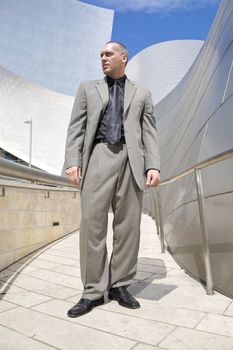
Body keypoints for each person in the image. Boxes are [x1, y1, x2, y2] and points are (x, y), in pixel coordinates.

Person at [63, 41, 160, 318]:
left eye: (108, 54)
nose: (103, 58)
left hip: (132, 160)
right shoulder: (87, 88)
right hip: (99, 155)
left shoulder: (142, 92)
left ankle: (120, 285)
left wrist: (153, 165)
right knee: (92, 225)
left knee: (128, 228)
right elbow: (76, 128)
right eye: (101, 55)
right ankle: (92, 291)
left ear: (123, 57)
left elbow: (149, 131)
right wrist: (73, 162)